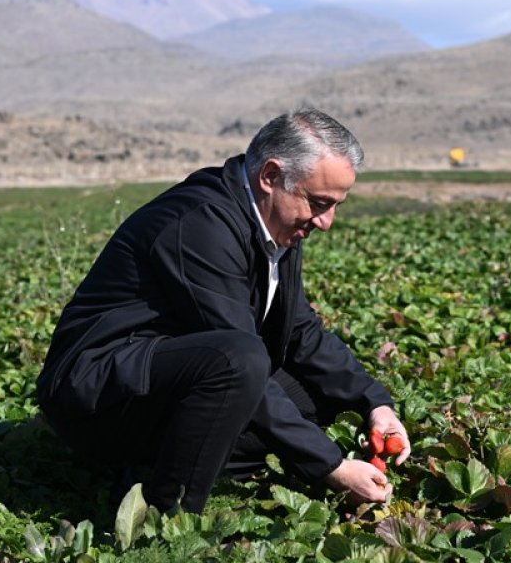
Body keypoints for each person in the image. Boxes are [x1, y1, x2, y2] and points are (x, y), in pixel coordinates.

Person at [35, 108, 410, 513]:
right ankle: (166, 512)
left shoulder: (274, 225)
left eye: (336, 205)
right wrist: (331, 466)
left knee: (317, 394)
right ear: (269, 177)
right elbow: (237, 356)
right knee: (241, 360)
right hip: (100, 397)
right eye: (319, 203)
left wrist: (375, 402)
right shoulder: (200, 225)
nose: (326, 222)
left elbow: (302, 332)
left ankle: (157, 464)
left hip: (166, 379)